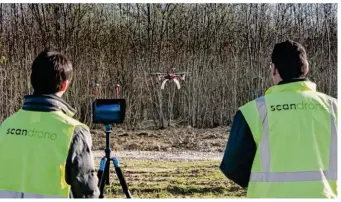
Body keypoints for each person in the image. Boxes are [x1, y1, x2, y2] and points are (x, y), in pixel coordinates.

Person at [220, 40, 337, 198]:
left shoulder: (252, 111)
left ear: (274, 69)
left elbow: (233, 168)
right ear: (306, 68)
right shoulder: (334, 108)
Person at [0, 50, 100, 198]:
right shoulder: (73, 131)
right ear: (64, 85)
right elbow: (86, 190)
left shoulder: (6, 126)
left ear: (33, 80)